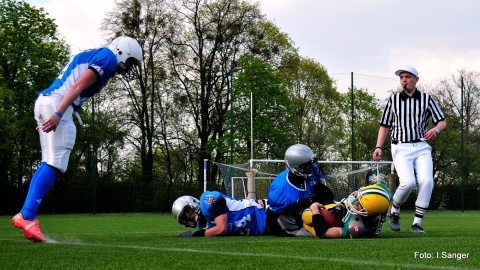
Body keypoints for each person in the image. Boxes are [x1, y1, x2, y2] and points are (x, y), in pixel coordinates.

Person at [12, 36, 143, 242]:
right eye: (131, 62)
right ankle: (27, 215)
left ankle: (27, 216)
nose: (130, 67)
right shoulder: (108, 59)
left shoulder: (101, 55)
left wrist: (50, 112)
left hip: (48, 100)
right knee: (56, 163)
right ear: (121, 52)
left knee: (48, 161)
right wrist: (57, 113)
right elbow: (77, 87)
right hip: (58, 103)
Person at [372, 65, 446, 233]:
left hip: (421, 146)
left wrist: (435, 130)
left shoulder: (427, 99)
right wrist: (378, 147)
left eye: (407, 76)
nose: (404, 79)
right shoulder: (393, 100)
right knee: (408, 182)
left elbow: (442, 121)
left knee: (427, 181)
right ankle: (394, 210)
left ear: (416, 79)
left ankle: (417, 223)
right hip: (400, 146)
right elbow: (384, 126)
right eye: (401, 77)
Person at [265, 144, 334, 236]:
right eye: (307, 164)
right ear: (296, 168)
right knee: (328, 231)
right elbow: (271, 214)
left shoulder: (310, 173)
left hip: (311, 213)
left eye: (311, 162)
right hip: (296, 225)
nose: (312, 166)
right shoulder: (280, 189)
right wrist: (280, 234)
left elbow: (325, 195)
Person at [302, 183, 392, 239]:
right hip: (343, 212)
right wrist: (343, 205)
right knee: (305, 215)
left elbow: (322, 232)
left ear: (368, 214)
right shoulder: (382, 193)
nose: (356, 203)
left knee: (307, 216)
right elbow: (385, 190)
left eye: (360, 205)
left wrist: (314, 208)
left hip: (342, 223)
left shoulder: (361, 229)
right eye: (358, 198)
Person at [172, 190, 267, 237]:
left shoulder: (206, 201)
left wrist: (195, 234)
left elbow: (221, 228)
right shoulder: (202, 227)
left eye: (187, 211)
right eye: (185, 217)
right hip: (262, 230)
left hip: (264, 212)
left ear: (192, 202)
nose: (189, 216)